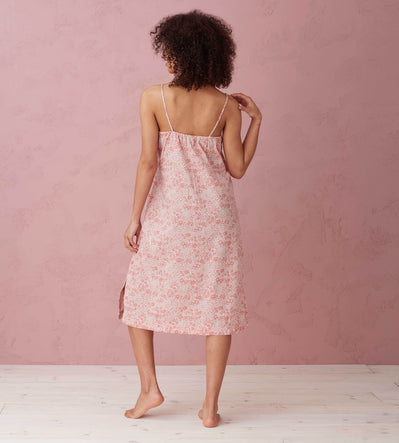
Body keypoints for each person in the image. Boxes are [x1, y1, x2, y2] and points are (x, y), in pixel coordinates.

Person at [118, 9, 262, 428]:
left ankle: (149, 389)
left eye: (169, 51)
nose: (165, 58)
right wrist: (256, 121)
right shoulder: (226, 106)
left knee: (138, 297)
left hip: (167, 216)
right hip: (216, 222)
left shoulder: (153, 97)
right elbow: (238, 169)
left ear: (179, 53)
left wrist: (134, 218)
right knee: (218, 307)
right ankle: (210, 408)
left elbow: (148, 162)